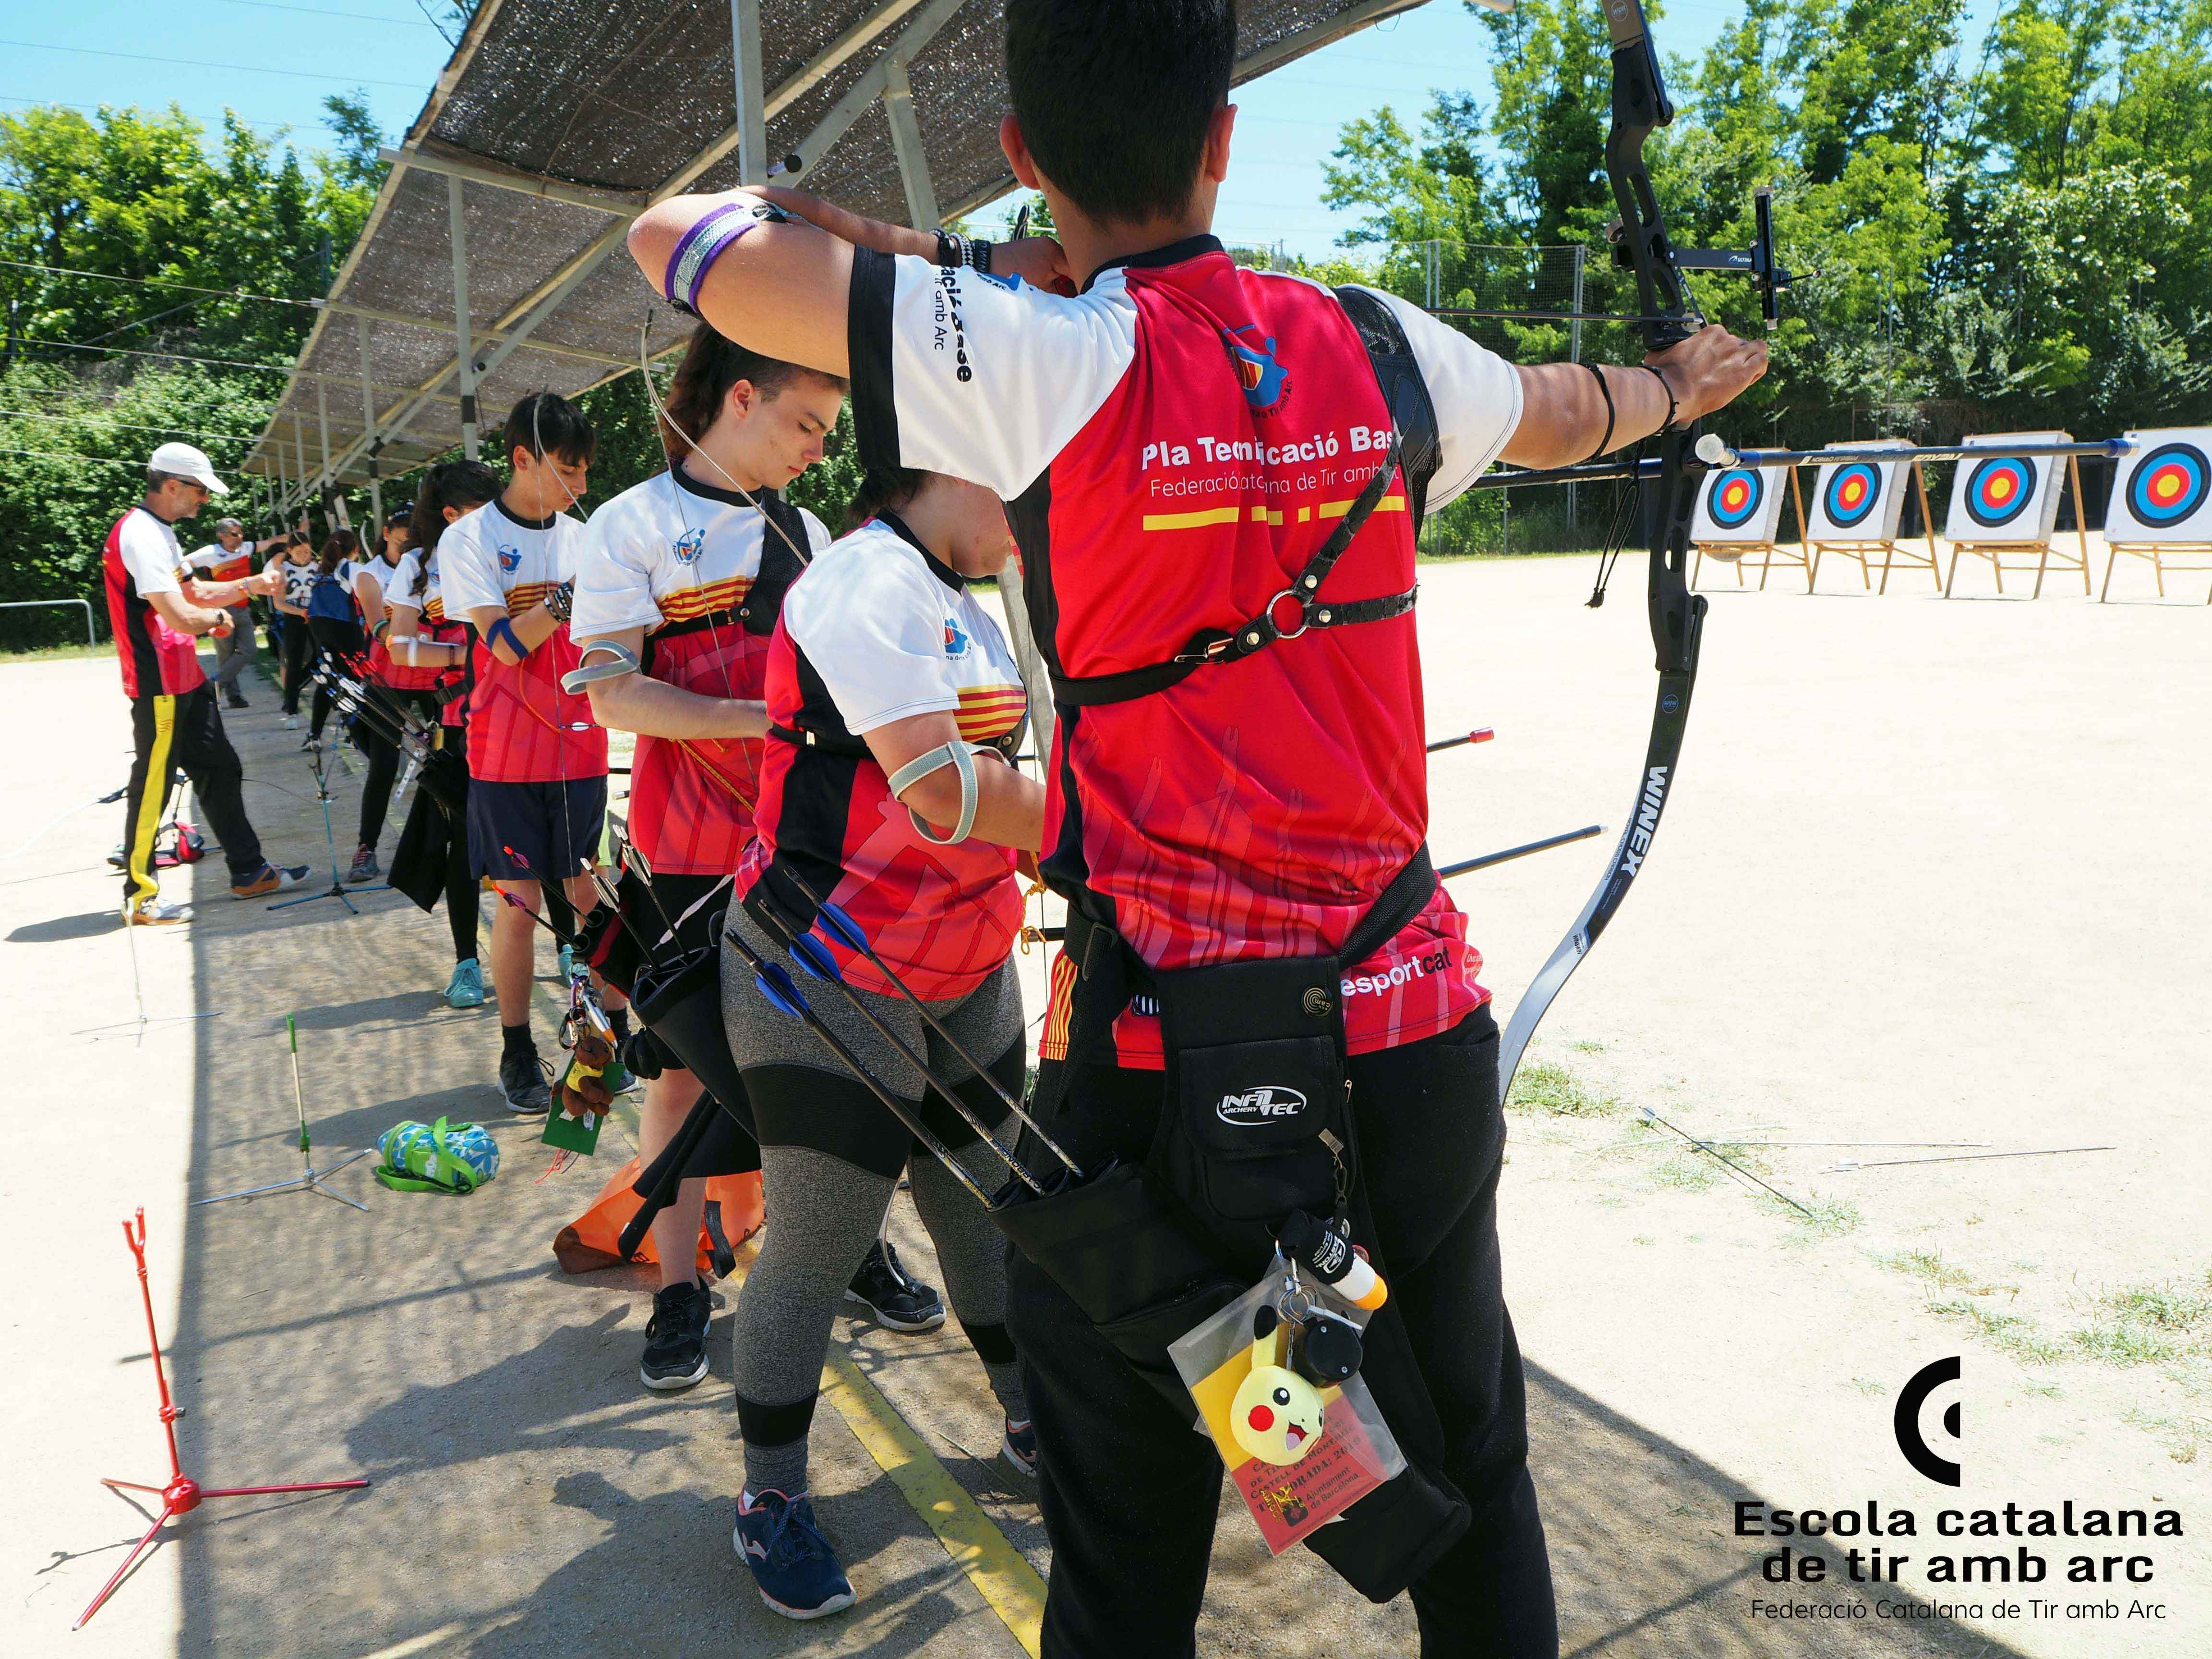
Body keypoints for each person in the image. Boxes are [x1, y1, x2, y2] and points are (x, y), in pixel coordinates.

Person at [627, 3, 1770, 1652]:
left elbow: (686, 241)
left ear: (1026, 154)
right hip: (1405, 1031)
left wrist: (973, 256)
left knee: (1126, 1511)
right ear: (1222, 136)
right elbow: (1560, 408)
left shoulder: (1032, 357)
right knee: (1470, 1462)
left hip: (1167, 1066)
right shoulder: (1372, 345)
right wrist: (1671, 383)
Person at [718, 460, 1043, 1619]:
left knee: (986, 1200)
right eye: (1026, 476)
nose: (1042, 506)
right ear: (953, 460)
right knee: (821, 1232)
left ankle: (1025, 1419)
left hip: (966, 953)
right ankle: (768, 1496)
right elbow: (946, 789)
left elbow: (1027, 771)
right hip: (828, 961)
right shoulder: (863, 577)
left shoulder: (973, 586)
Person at [570, 326, 846, 1394]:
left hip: (804, 841)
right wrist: (764, 720)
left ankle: (845, 1244)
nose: (818, 449)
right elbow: (611, 693)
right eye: (806, 423)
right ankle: (681, 1281)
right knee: (683, 1068)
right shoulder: (628, 525)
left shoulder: (810, 527)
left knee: (823, 1051)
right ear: (740, 397)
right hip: (689, 849)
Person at [438, 394, 609, 1114]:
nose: (579, 487)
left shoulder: (588, 535)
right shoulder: (470, 540)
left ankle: (608, 1038)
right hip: (505, 754)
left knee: (590, 893)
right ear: (521, 459)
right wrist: (567, 600)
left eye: (584, 473)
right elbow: (501, 646)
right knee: (519, 903)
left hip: (584, 747)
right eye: (566, 470)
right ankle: (516, 1050)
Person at [105, 442, 307, 924]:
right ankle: (141, 896)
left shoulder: (160, 531)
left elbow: (192, 591)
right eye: (200, 491)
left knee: (220, 768)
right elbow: (180, 612)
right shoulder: (140, 535)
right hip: (159, 683)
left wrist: (249, 587)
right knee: (152, 786)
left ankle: (250, 871)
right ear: (172, 485)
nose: (206, 502)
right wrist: (219, 617)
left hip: (184, 677)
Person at [391, 466, 494, 1010]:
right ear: (450, 515)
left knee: (552, 847)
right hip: (459, 728)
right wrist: (468, 656)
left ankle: (574, 949)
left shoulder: (519, 544)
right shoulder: (417, 565)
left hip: (529, 725)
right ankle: (467, 962)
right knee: (465, 848)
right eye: (477, 508)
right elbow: (399, 646)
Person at [346, 507, 415, 882]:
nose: (409, 546)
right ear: (387, 533)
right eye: (403, 537)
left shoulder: (426, 563)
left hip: (435, 672)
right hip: (388, 676)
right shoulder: (369, 573)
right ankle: (366, 848)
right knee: (384, 767)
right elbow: (380, 628)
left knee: (456, 758)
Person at [183, 517, 256, 709]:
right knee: (225, 654)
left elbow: (269, 544)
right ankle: (234, 698)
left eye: (241, 533)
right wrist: (196, 585)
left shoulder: (245, 549)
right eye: (234, 534)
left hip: (243, 607)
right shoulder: (211, 552)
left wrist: (293, 536)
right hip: (221, 608)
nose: (239, 537)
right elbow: (182, 563)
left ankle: (215, 684)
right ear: (221, 536)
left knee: (249, 650)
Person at [304, 529, 364, 749]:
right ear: (355, 549)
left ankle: (314, 735)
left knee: (328, 680)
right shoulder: (350, 568)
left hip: (320, 629)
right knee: (355, 680)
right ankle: (353, 735)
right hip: (345, 628)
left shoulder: (321, 573)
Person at [273, 533, 316, 727]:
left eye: (307, 551)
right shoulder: (282, 570)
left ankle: (293, 687)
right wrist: (300, 612)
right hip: (294, 618)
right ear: (289, 551)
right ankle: (292, 710)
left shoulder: (318, 567)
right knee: (294, 662)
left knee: (322, 657)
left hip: (316, 618)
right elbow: (279, 603)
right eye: (299, 552)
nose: (304, 555)